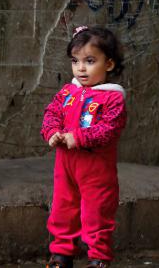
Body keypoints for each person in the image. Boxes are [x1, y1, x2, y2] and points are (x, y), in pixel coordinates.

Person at [40, 26, 126, 268]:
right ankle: (61, 256)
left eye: (90, 61)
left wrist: (78, 137)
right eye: (75, 61)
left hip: (96, 170)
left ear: (108, 64)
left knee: (96, 214)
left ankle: (98, 259)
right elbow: (52, 113)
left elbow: (108, 130)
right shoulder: (68, 92)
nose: (80, 68)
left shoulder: (113, 98)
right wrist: (52, 132)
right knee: (62, 210)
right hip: (65, 166)